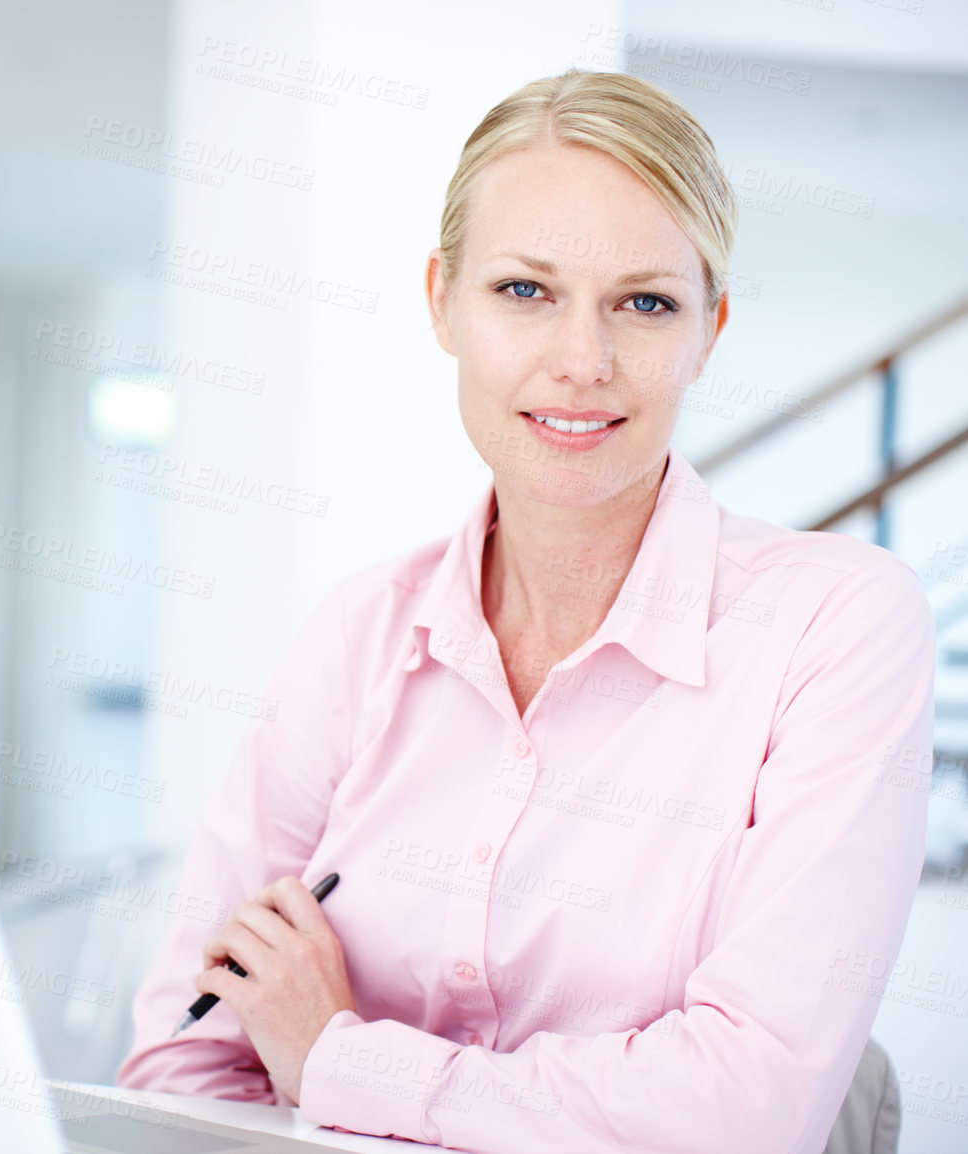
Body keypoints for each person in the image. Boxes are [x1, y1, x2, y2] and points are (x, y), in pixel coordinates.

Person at [114, 67, 933, 1154]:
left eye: (645, 302)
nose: (582, 362)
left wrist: (339, 1059)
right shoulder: (359, 634)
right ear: (439, 299)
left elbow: (746, 1106)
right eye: (523, 290)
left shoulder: (836, 626)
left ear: (710, 329)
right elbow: (185, 1054)